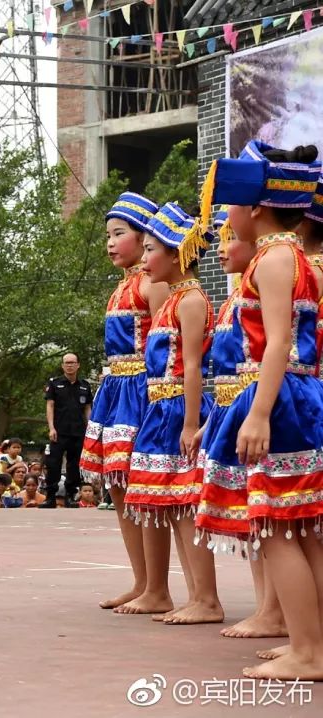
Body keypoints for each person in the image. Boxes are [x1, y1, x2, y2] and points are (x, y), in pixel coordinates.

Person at [196, 141, 323, 680]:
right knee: (307, 527)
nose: (225, 218)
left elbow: (276, 344)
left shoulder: (272, 259)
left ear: (256, 208)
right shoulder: (296, 257)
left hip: (281, 396)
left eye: (230, 208)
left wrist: (259, 412)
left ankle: (308, 652)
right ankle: (310, 642)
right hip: (300, 396)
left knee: (274, 525)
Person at [118, 202, 217, 624]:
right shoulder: (170, 300)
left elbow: (192, 366)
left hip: (179, 408)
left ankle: (207, 598)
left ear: (177, 253)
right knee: (171, 505)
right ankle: (194, 596)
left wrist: (192, 422)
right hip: (162, 408)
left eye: (151, 249)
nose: (144, 258)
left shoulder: (190, 299)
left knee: (185, 503)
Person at [78, 191, 167, 605]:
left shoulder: (153, 284)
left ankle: (158, 588)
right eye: (108, 235)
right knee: (118, 487)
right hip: (116, 391)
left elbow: (168, 347)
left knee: (142, 487)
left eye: (119, 234)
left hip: (143, 393)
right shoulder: (121, 288)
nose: (110, 243)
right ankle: (141, 582)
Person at [42, 354, 92, 508]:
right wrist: (51, 428)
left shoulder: (85, 385)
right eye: (66, 363)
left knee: (74, 465)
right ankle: (50, 497)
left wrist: (90, 430)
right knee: (53, 464)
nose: (69, 365)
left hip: (78, 431)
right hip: (58, 431)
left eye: (72, 363)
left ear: (78, 365)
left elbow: (88, 409)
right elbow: (50, 405)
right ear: (62, 366)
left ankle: (70, 496)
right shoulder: (55, 384)